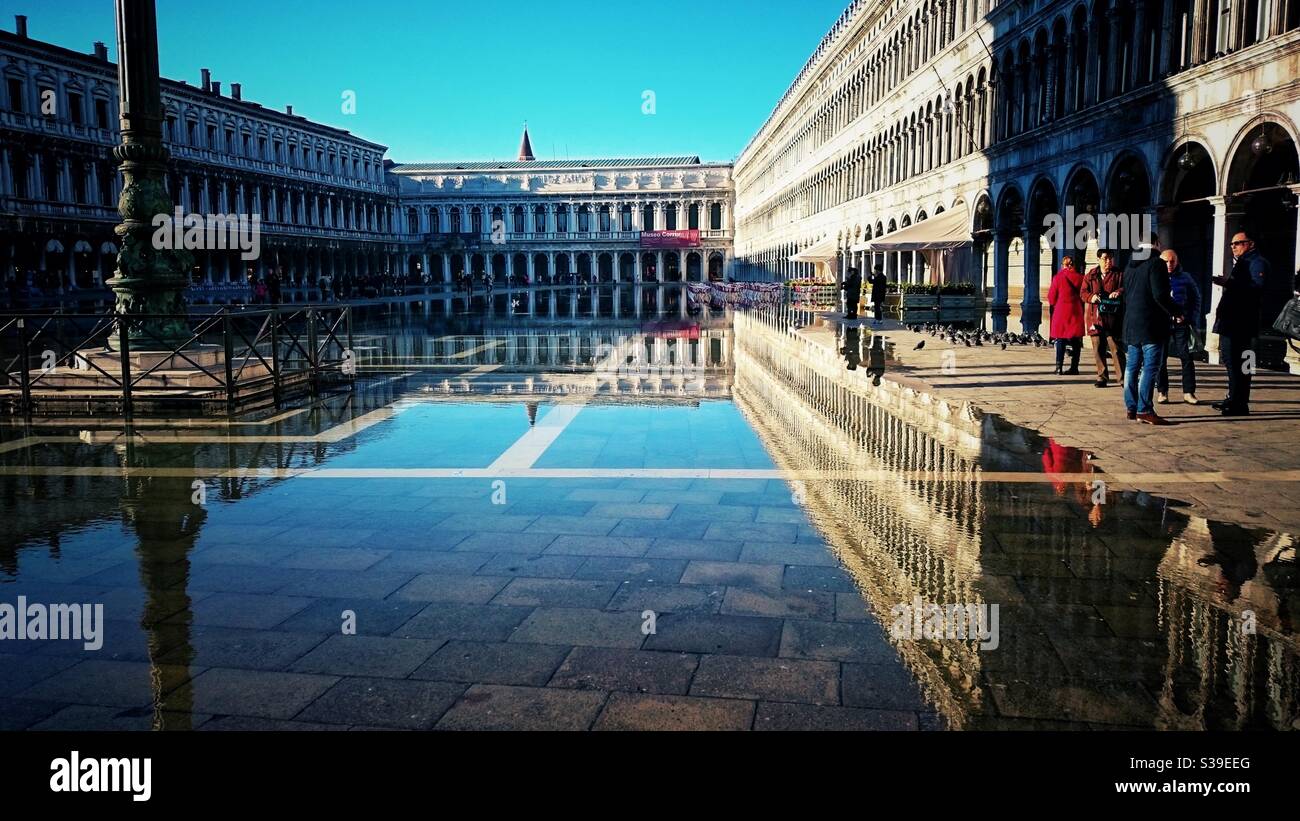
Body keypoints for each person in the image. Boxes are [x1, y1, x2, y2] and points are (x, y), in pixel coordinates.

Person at [1122, 234, 1184, 424]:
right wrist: (1177, 311)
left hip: (1131, 324)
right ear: (1157, 244)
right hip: (1151, 325)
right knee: (1150, 367)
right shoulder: (1156, 264)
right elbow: (1160, 295)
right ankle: (1144, 409)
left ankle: (1131, 407)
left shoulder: (1130, 265)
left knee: (1132, 367)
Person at [1212, 231, 1264, 416]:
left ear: (1250, 244)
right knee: (1234, 362)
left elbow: (1256, 289)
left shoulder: (1256, 262)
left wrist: (1229, 283)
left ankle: (1238, 402)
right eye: (1232, 244)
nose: (1233, 246)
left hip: (1240, 324)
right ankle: (1235, 399)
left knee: (1239, 363)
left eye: (1238, 243)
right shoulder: (1244, 262)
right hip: (1234, 322)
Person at [1156, 249, 1201, 405]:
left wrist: (1189, 319)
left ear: (1177, 261)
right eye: (1166, 261)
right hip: (1162, 324)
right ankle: (1162, 391)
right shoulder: (1156, 277)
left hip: (1181, 324)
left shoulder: (1185, 277)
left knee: (1186, 357)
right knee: (1160, 359)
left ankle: (1189, 392)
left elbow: (1196, 299)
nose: (1169, 264)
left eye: (1172, 261)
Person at [1080, 250, 1126, 387]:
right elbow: (1083, 292)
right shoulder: (1090, 275)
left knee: (1116, 349)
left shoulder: (1119, 274)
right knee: (1098, 348)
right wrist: (1091, 297)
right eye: (1105, 259)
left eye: (1110, 259)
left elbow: (1126, 287)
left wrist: (1118, 292)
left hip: (1113, 317)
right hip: (1095, 317)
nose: (1108, 262)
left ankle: (1122, 378)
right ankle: (1102, 376)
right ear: (1099, 259)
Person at [1047, 255, 1084, 374]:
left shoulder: (1057, 278)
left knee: (1060, 339)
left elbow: (1051, 298)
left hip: (1061, 311)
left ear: (1063, 265)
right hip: (1075, 311)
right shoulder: (1080, 278)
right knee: (1076, 341)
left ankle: (1059, 367)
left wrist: (1056, 303)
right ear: (1073, 265)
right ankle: (1074, 367)